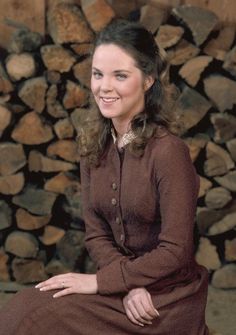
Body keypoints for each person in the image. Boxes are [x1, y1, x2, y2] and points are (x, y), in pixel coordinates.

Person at [0, 19, 209, 335]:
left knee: (37, 322)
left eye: (120, 76)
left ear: (148, 79)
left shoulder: (169, 152)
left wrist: (104, 282)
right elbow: (96, 233)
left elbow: (175, 250)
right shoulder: (93, 144)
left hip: (165, 298)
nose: (104, 87)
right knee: (19, 310)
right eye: (98, 74)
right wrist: (125, 286)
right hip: (123, 290)